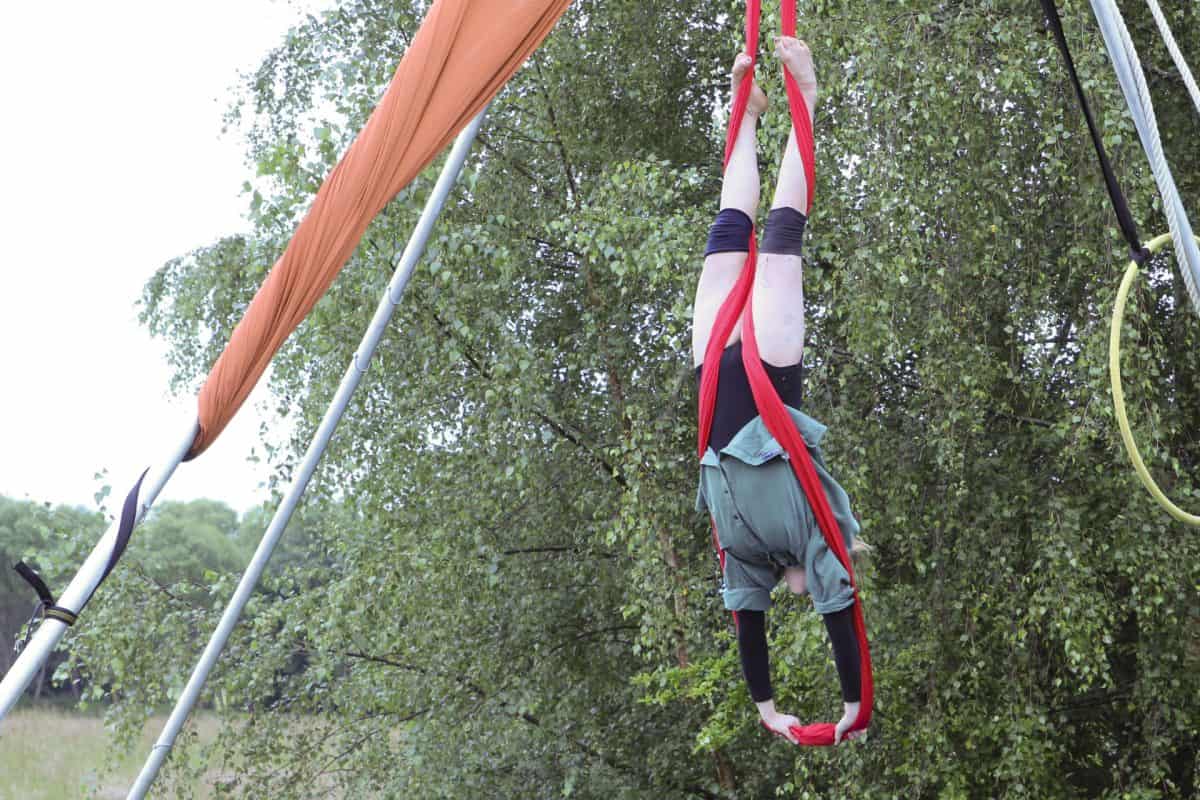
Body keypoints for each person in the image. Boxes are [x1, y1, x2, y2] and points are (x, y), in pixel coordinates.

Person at [693, 37, 866, 746]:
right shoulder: (815, 529)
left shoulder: (742, 558)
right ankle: (808, 102)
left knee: (728, 234)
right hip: (768, 373)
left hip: (712, 373)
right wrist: (852, 703)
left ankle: (752, 114)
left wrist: (766, 708)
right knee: (782, 237)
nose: (804, 597)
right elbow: (840, 607)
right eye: (811, 592)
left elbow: (748, 626)